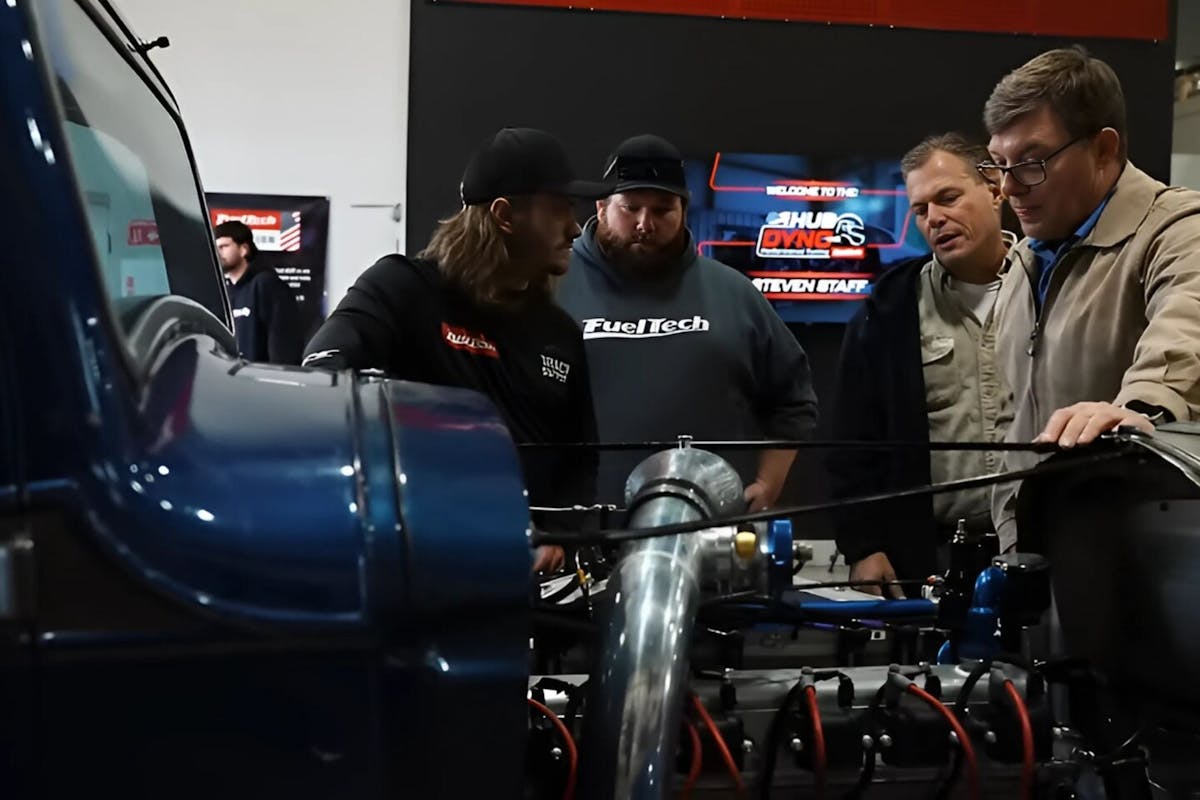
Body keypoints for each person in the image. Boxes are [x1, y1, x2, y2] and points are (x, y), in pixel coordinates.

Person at [302, 128, 610, 572]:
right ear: (505, 215)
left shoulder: (559, 332)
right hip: (418, 573)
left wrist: (561, 538)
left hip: (532, 593)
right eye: (560, 209)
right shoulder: (403, 288)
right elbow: (323, 367)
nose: (575, 227)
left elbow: (582, 458)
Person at [983, 46, 1200, 550]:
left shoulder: (1178, 232)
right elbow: (1008, 419)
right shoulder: (1024, 263)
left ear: (1103, 150)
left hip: (1146, 560)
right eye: (998, 164)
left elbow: (1184, 341)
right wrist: (1013, 538)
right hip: (1041, 560)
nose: (1010, 188)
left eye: (1032, 162)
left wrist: (1141, 411)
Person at [555, 134, 818, 511]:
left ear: (683, 212)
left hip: (705, 533)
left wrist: (768, 483)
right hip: (577, 534)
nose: (644, 224)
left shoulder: (734, 293)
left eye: (662, 210)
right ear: (601, 207)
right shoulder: (550, 288)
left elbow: (793, 401)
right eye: (630, 207)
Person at [828, 133, 1016, 595]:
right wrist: (862, 547)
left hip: (1040, 551)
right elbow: (851, 442)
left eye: (948, 198)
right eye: (920, 209)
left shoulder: (1054, 289)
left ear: (994, 189)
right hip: (930, 558)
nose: (934, 219)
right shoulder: (890, 309)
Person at [215, 220, 305, 365]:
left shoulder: (266, 284)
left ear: (243, 249)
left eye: (224, 246)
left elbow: (283, 345)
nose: (218, 253)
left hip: (263, 381)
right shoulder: (227, 290)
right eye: (215, 248)